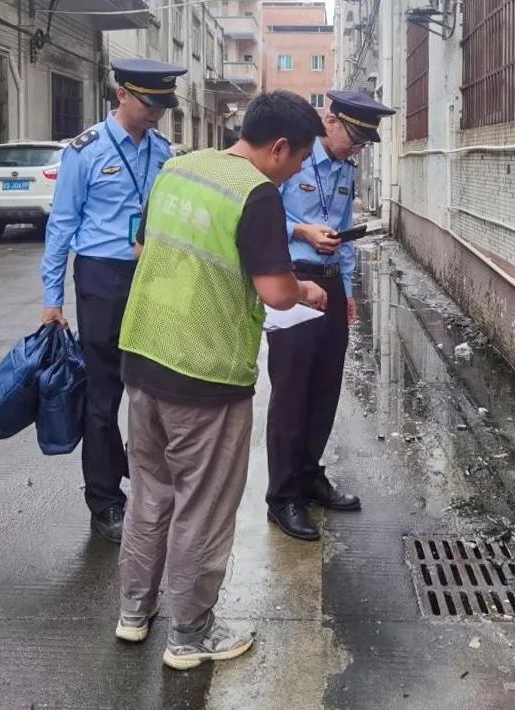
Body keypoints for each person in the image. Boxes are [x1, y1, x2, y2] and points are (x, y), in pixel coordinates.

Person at [115, 91, 328, 670]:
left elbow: (142, 247)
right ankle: (190, 634)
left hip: (145, 354)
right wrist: (307, 290)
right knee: (203, 508)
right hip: (205, 374)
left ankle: (134, 612)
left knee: (150, 495)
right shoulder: (256, 194)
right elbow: (276, 293)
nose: (298, 171)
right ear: (279, 147)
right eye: (300, 158)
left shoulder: (178, 168)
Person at [39, 59, 185, 544]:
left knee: (155, 388)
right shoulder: (86, 150)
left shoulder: (162, 150)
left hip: (154, 274)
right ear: (122, 94)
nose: (157, 114)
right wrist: (52, 298)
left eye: (163, 105)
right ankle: (104, 500)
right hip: (102, 276)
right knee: (103, 394)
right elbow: (62, 225)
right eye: (149, 103)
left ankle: (150, 485)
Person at [265, 90, 395, 541]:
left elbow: (343, 232)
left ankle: (309, 475)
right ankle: (282, 496)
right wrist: (301, 230)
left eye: (363, 143)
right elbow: (261, 215)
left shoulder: (345, 170)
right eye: (353, 138)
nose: (355, 148)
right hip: (293, 280)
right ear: (331, 121)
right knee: (290, 392)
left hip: (331, 283)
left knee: (325, 386)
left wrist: (348, 288)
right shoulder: (293, 161)